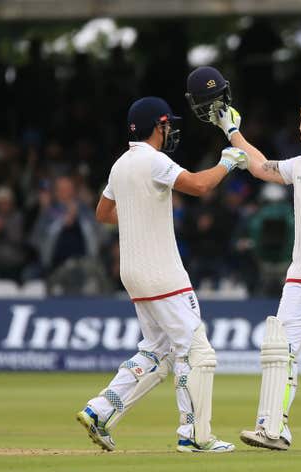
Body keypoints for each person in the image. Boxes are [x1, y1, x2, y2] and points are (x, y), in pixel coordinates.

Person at [186, 47, 301, 452]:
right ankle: (272, 429)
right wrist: (230, 131)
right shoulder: (299, 166)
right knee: (278, 349)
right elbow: (260, 166)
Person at [76, 96, 247, 453]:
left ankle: (99, 411)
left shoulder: (120, 165)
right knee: (197, 351)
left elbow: (103, 213)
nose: (170, 131)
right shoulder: (155, 161)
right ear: (159, 125)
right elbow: (199, 186)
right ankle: (195, 435)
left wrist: (139, 215)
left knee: (157, 351)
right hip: (163, 272)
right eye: (168, 125)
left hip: (134, 273)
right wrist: (227, 163)